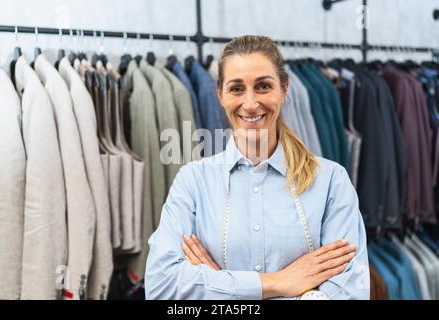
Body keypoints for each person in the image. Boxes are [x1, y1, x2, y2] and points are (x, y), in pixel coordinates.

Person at [145, 35, 369, 300]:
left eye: (263, 86)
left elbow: (351, 292)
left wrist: (220, 286)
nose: (250, 104)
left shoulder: (331, 181)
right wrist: (278, 283)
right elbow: (161, 288)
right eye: (236, 89)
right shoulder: (193, 182)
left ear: (284, 89)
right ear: (220, 95)